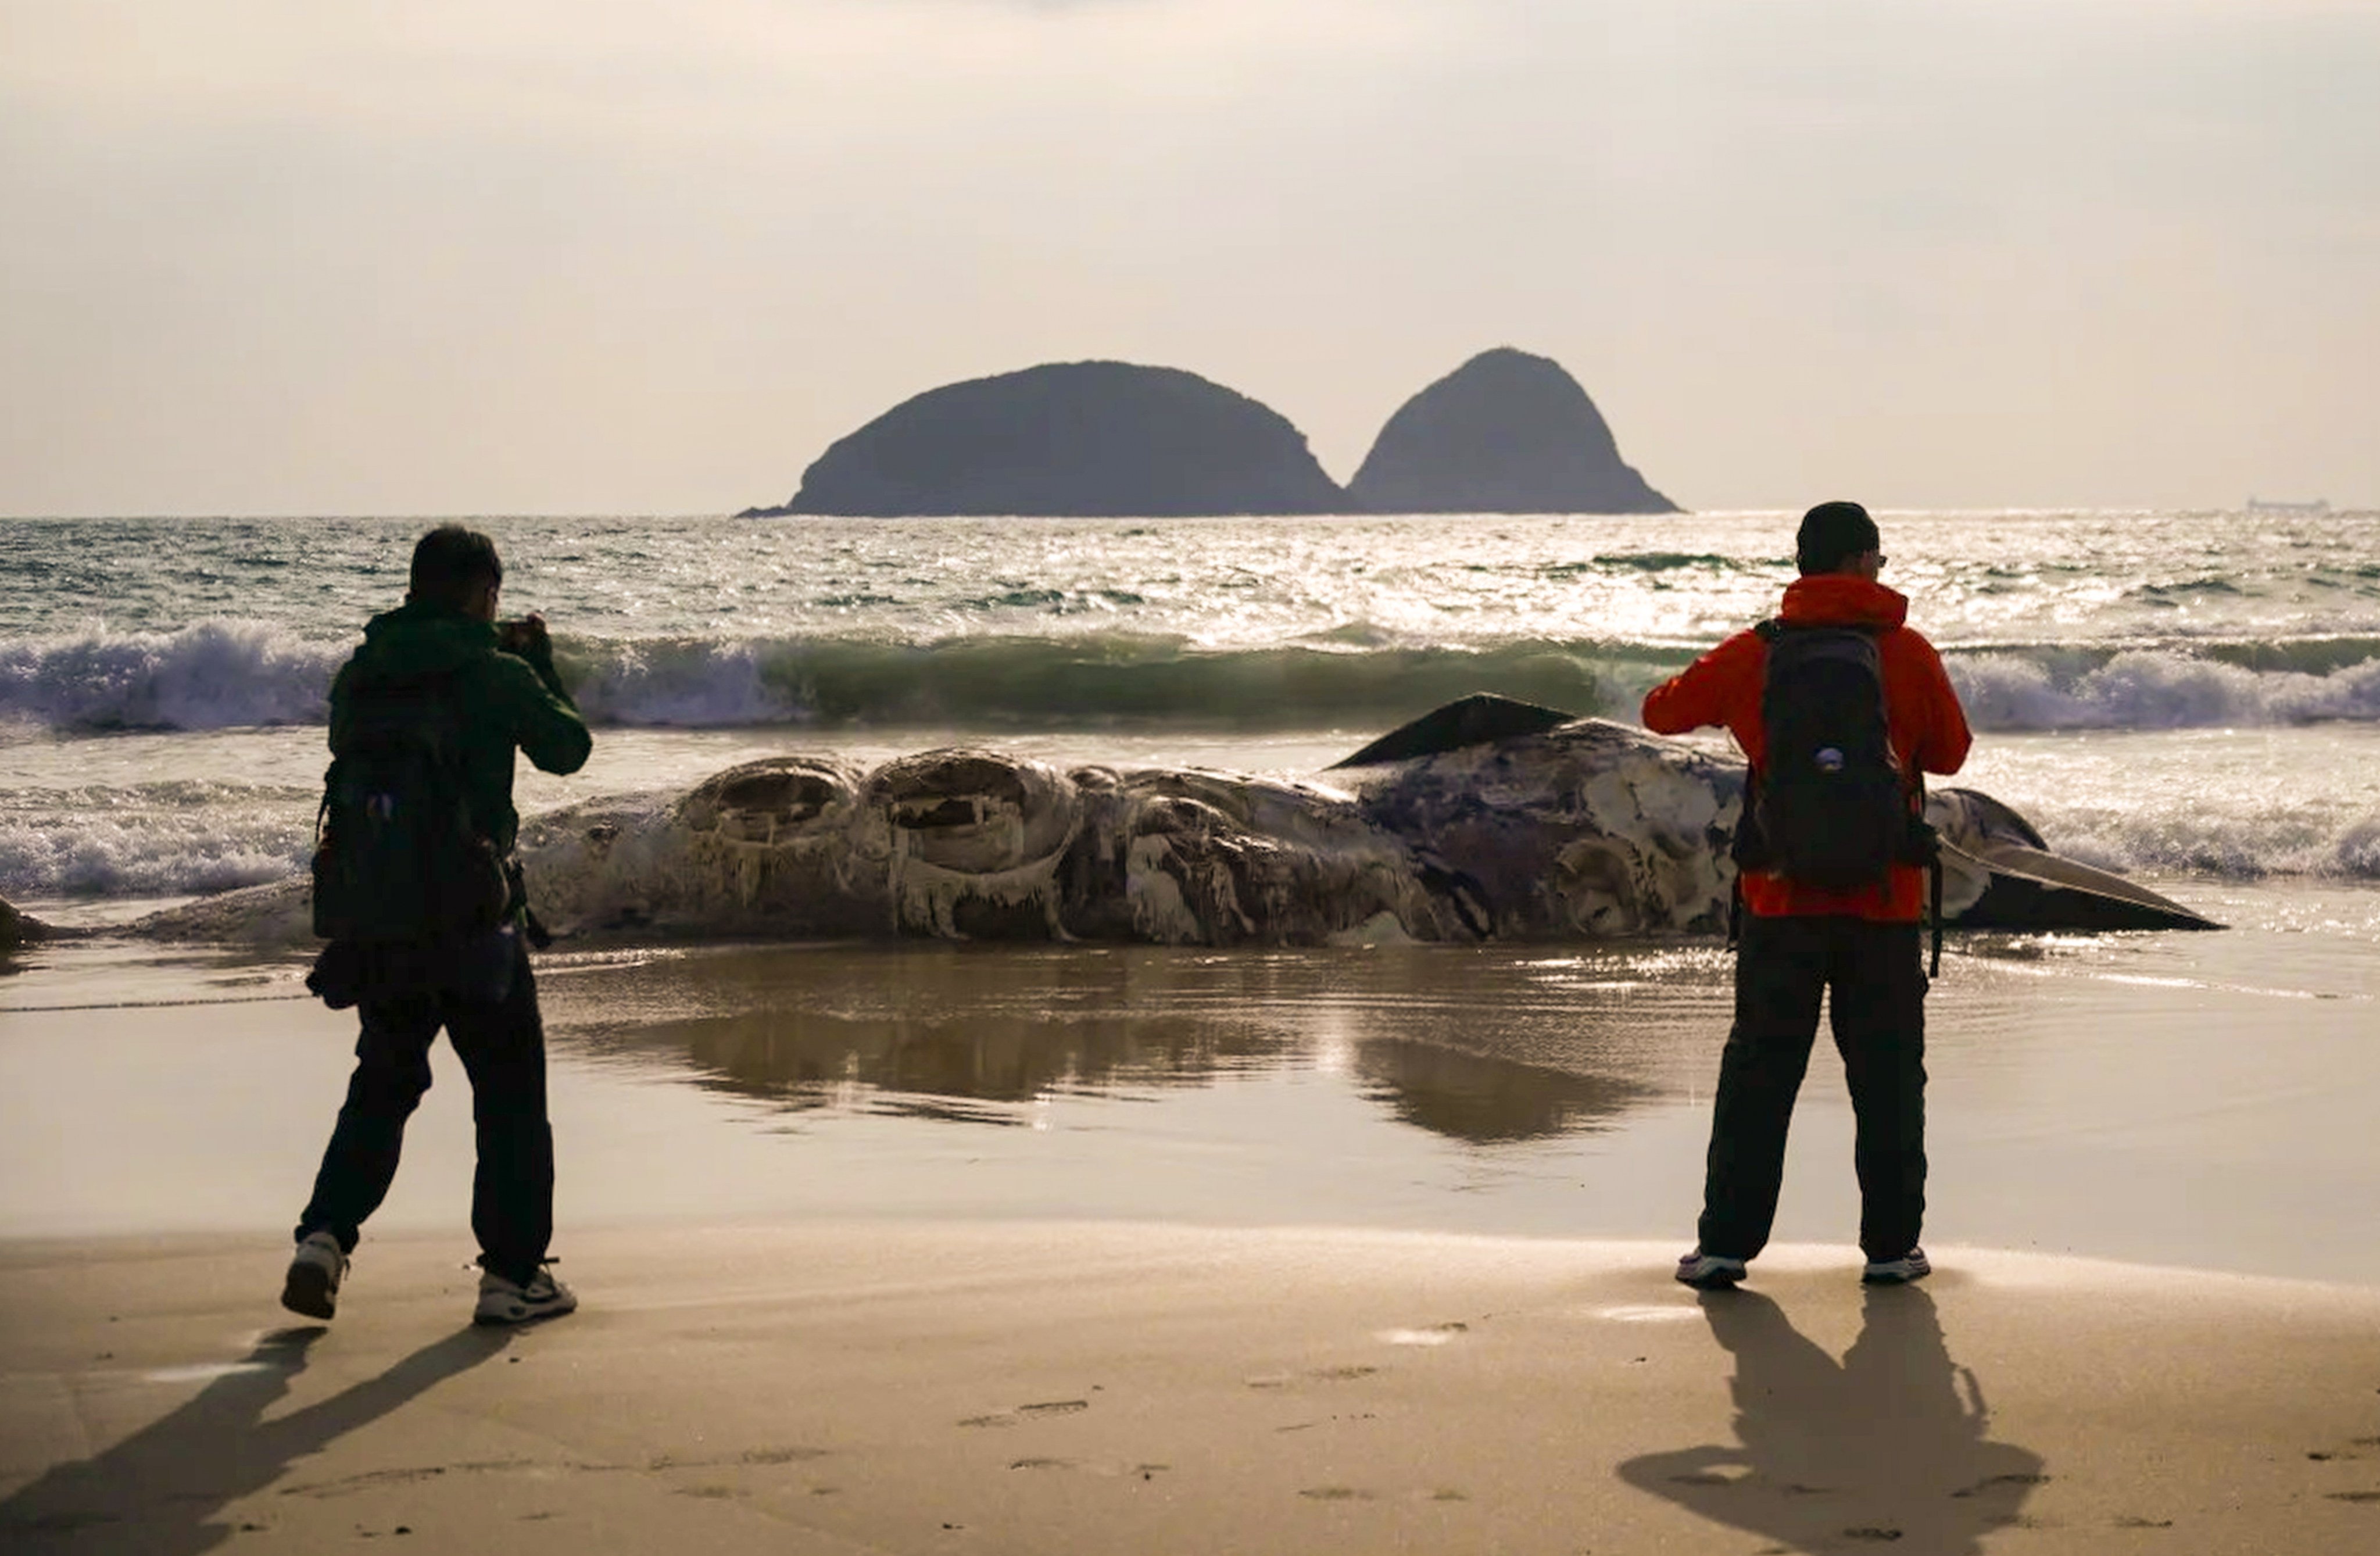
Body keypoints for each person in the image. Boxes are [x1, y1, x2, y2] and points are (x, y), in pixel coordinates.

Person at [1642, 502, 1971, 1290]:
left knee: (1760, 1073)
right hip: (1883, 902)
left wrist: (1748, 717)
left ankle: (1724, 1246)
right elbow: (1953, 753)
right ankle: (1891, 1250)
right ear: (1861, 564)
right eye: (1878, 562)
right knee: (1888, 1079)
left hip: (1780, 900)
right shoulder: (1907, 652)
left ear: (1801, 567)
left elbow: (1661, 712)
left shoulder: (1758, 653)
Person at [282, 525, 593, 1326]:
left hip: (379, 916)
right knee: (510, 1096)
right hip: (471, 919)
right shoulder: (492, 672)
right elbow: (567, 746)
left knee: (383, 1086)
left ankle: (322, 1237)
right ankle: (512, 1277)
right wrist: (536, 662)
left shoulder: (362, 673)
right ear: (482, 593)